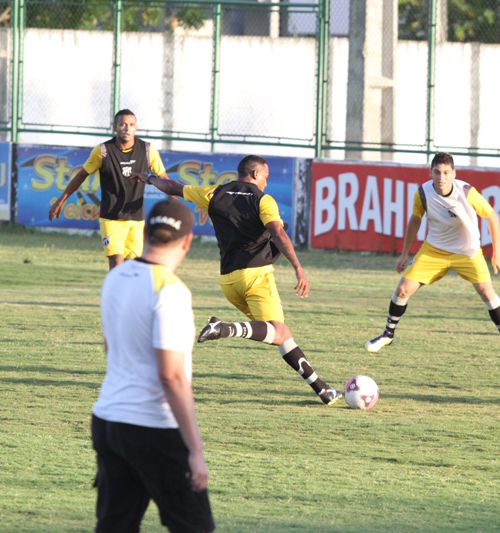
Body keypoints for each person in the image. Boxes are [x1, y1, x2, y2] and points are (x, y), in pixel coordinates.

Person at [132, 155, 342, 405]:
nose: (266, 181)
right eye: (265, 176)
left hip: (229, 281)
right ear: (254, 174)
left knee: (279, 333)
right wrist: (298, 267)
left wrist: (151, 179)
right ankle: (223, 328)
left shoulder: (214, 193)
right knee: (279, 332)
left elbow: (174, 188)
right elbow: (278, 232)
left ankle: (322, 390)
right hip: (256, 277)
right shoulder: (264, 200)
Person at [92, 199, 214, 533]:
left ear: (145, 232)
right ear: (188, 241)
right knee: (194, 526)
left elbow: (110, 346)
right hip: (152, 428)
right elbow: (171, 375)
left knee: (115, 525)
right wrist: (195, 449)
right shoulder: (170, 291)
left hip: (107, 421)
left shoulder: (115, 277)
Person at [365, 152, 500, 359]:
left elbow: (491, 217)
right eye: (437, 172)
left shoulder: (466, 192)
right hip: (434, 250)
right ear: (430, 173)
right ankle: (387, 334)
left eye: (446, 172)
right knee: (403, 290)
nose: (442, 177)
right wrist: (404, 254)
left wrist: (497, 254)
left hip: (467, 251)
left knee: (486, 291)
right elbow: (415, 220)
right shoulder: (423, 193)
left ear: (453, 173)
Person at [48, 109, 169, 270]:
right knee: (116, 263)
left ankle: (126, 296)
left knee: (132, 268)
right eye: (122, 124)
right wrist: (60, 201)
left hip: (136, 218)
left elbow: (164, 179)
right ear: (114, 127)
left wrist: (173, 203)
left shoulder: (147, 150)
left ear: (136, 128)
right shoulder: (103, 151)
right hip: (111, 217)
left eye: (131, 125)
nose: (127, 128)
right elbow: (81, 175)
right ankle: (114, 295)